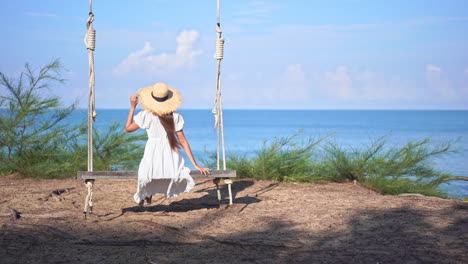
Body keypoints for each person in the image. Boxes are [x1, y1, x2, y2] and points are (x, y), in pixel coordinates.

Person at [125, 82, 211, 207]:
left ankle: (147, 194)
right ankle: (149, 194)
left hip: (152, 152)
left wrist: (132, 106)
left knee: (148, 172)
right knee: (163, 171)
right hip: (171, 154)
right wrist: (195, 164)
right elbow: (183, 141)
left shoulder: (146, 115)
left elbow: (128, 129)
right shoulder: (175, 117)